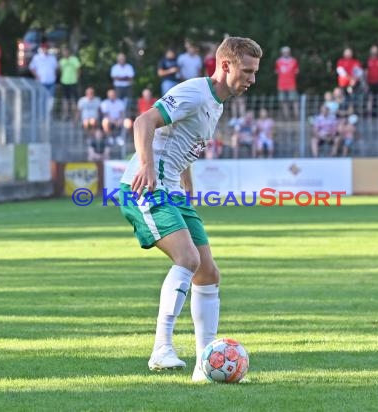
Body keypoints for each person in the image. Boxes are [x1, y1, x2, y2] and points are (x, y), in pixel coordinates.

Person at [118, 36, 262, 382]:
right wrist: (147, 166)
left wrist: (188, 183)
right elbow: (144, 121)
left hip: (173, 190)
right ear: (225, 65)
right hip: (146, 187)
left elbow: (182, 141)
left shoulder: (217, 104)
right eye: (247, 71)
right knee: (188, 260)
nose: (252, 79)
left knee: (208, 273)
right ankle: (161, 349)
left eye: (255, 72)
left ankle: (204, 362)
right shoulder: (195, 92)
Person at [29, 43, 58, 118]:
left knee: (51, 99)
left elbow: (56, 68)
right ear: (41, 49)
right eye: (44, 48)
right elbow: (32, 68)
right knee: (41, 98)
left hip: (51, 81)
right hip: (41, 81)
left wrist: (54, 76)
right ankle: (41, 114)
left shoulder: (52, 58)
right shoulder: (37, 57)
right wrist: (37, 76)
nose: (45, 50)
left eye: (46, 48)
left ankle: (48, 114)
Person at [275, 46, 299, 119]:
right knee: (283, 102)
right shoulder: (278, 62)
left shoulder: (294, 61)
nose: (286, 53)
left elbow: (297, 72)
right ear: (282, 53)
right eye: (284, 52)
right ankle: (287, 118)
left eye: (287, 52)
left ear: (289, 52)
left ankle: (297, 117)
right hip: (281, 85)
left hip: (292, 84)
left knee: (294, 101)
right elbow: (277, 71)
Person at [59, 47, 81, 120]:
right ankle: (66, 115)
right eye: (64, 52)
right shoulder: (61, 61)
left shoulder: (74, 59)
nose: (65, 53)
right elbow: (61, 71)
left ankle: (75, 116)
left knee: (73, 99)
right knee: (65, 99)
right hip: (64, 82)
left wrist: (77, 78)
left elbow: (78, 69)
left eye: (66, 52)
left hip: (73, 82)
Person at [365, 45, 378, 116]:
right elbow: (366, 71)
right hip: (370, 82)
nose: (374, 51)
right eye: (373, 50)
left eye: (375, 50)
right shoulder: (368, 60)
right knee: (370, 98)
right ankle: (369, 113)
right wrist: (366, 82)